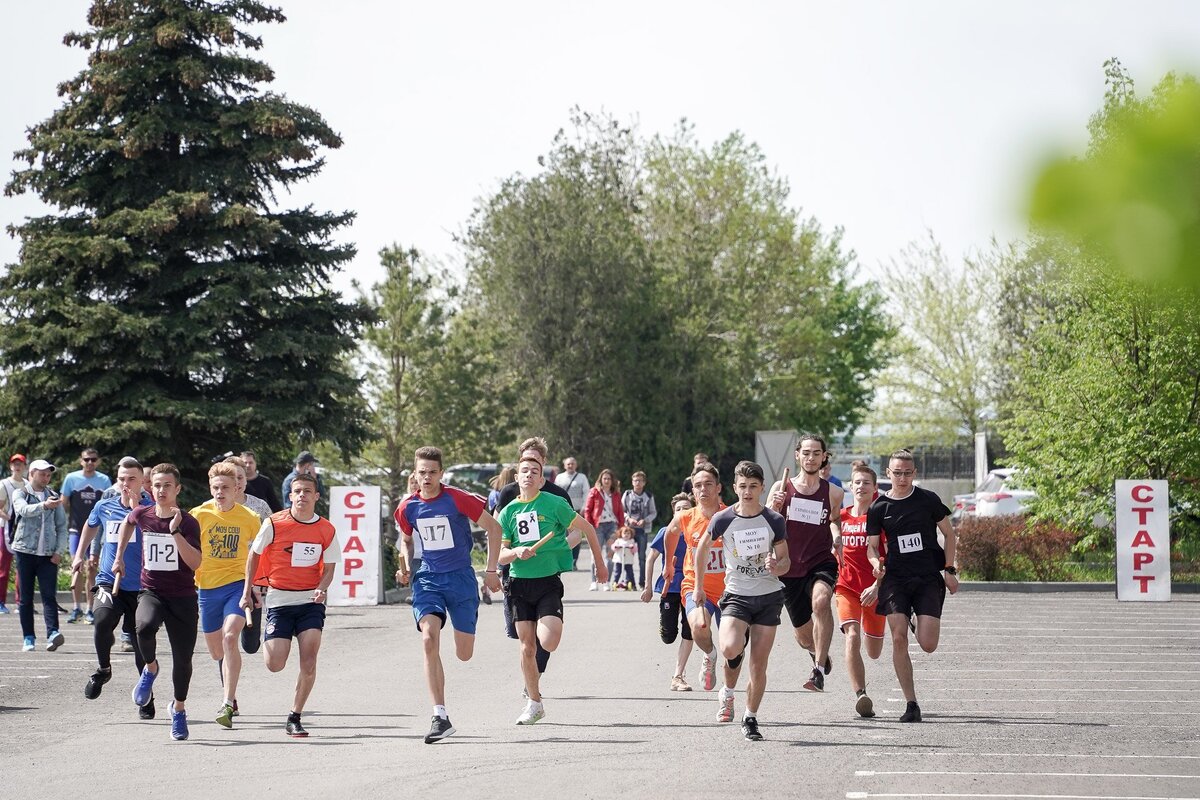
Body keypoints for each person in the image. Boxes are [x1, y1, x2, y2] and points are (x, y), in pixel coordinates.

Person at [394, 446, 503, 743]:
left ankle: (467, 621)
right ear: (415, 475)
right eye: (422, 472)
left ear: (441, 473)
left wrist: (491, 570)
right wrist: (404, 564)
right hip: (428, 578)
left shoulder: (457, 498)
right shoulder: (408, 507)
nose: (427, 477)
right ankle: (439, 715)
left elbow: (494, 528)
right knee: (428, 637)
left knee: (464, 654)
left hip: (461, 579)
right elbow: (406, 540)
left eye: (432, 472)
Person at [498, 456, 606, 725]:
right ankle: (534, 703)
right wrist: (515, 552)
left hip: (547, 582)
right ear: (517, 477)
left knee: (548, 641)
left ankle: (534, 685)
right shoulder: (508, 512)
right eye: (524, 471)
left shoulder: (555, 503)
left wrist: (600, 565)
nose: (529, 475)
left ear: (541, 478)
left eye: (535, 471)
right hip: (518, 584)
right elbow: (500, 555)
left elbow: (587, 529)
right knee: (526, 647)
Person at [691, 461, 789, 740]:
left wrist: (776, 565)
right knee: (731, 647)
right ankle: (728, 690)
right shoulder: (724, 519)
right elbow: (701, 548)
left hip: (768, 597)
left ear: (762, 488)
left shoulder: (773, 520)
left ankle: (751, 717)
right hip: (737, 595)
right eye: (743, 487)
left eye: (753, 487)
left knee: (759, 664)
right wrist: (698, 585)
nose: (747, 492)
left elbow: (786, 561)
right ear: (734, 488)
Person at [240, 473, 338, 737]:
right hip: (279, 600)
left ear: (316, 496)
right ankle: (267, 635)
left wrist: (322, 587)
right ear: (290, 495)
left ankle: (295, 715)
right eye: (298, 491)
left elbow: (329, 569)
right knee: (275, 663)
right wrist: (248, 589)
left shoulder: (326, 529)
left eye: (308, 491)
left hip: (310, 602)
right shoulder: (274, 523)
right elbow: (254, 554)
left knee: (309, 661)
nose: (302, 495)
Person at [866, 449, 959, 723]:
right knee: (897, 637)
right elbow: (872, 547)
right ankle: (911, 703)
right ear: (888, 473)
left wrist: (950, 569)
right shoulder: (879, 508)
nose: (902, 478)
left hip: (928, 577)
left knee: (928, 645)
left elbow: (949, 534)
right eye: (897, 473)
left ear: (914, 473)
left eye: (907, 473)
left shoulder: (928, 500)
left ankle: (915, 620)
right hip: (895, 578)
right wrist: (875, 563)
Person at [112, 463, 203, 740]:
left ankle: (178, 709)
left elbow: (196, 562)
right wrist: (119, 558)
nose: (161, 490)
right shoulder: (143, 513)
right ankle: (150, 668)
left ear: (177, 489)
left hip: (183, 597)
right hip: (152, 591)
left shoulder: (188, 522)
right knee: (143, 627)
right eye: (157, 485)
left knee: (183, 660)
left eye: (167, 485)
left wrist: (175, 532)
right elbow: (128, 524)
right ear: (150, 487)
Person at [72, 457, 153, 717]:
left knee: (142, 643)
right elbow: (90, 525)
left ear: (142, 481)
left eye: (132, 479)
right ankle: (104, 669)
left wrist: (136, 509)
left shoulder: (153, 508)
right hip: (109, 578)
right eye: (121, 479)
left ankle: (146, 695)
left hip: (141, 585)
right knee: (102, 620)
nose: (126, 484)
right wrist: (79, 555)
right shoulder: (104, 506)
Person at [767, 434, 844, 692]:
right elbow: (765, 525)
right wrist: (774, 507)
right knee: (803, 637)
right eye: (806, 453)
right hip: (788, 566)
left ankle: (818, 670)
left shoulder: (833, 492)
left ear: (824, 457)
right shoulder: (781, 487)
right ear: (797, 455)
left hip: (820, 560)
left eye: (816, 453)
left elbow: (834, 520)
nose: (811, 458)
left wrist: (837, 538)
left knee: (821, 601)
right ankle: (816, 651)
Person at [493, 439, 574, 682]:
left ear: (543, 464)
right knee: (521, 635)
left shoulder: (557, 495)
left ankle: (534, 678)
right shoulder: (509, 492)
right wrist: (497, 565)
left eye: (536, 463)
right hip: (514, 570)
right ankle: (531, 674)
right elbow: (496, 532)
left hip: (546, 570)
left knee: (544, 633)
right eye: (525, 464)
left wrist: (552, 549)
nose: (530, 470)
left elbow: (576, 532)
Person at [192, 462, 263, 728]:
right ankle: (228, 688)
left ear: (236, 489)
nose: (220, 493)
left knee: (231, 636)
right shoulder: (198, 515)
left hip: (237, 585)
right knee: (216, 651)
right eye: (215, 488)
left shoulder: (249, 518)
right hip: (207, 588)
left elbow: (259, 556)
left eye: (225, 488)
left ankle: (227, 701)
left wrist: (255, 586)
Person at [661, 463, 733, 707]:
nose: (703, 489)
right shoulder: (685, 517)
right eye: (698, 485)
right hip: (695, 584)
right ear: (692, 490)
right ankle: (710, 655)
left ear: (719, 487)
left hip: (729, 589)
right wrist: (670, 563)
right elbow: (670, 533)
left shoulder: (730, 515)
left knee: (732, 646)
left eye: (708, 484)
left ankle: (727, 683)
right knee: (700, 627)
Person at [835, 461, 886, 718]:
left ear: (875, 487)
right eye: (857, 482)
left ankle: (872, 631)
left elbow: (889, 558)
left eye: (867, 483)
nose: (861, 487)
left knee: (874, 652)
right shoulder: (841, 518)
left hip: (875, 589)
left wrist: (878, 586)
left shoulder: (880, 519)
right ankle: (861, 695)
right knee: (851, 635)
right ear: (850, 486)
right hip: (846, 588)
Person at [11, 459, 69, 652]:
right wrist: (44, 506)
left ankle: (53, 633)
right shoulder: (21, 492)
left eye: (49, 474)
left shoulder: (54, 496)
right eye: (43, 473)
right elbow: (22, 510)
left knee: (49, 596)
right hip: (25, 551)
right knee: (25, 598)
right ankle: (28, 637)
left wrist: (59, 551)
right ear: (32, 473)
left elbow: (62, 527)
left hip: (48, 555)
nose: (46, 477)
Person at [641, 493, 696, 691]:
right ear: (673, 512)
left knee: (690, 631)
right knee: (669, 636)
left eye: (686, 508)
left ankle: (678, 675)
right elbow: (650, 558)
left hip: (691, 586)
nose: (683, 512)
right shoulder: (665, 531)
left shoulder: (697, 531)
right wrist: (648, 587)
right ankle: (666, 628)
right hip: (670, 587)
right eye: (678, 509)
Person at [61, 448, 113, 624]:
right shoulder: (71, 478)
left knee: (92, 569)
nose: (90, 462)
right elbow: (63, 504)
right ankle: (76, 608)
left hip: (96, 530)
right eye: (86, 459)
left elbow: (108, 507)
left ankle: (90, 609)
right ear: (81, 461)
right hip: (76, 529)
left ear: (97, 461)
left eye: (93, 459)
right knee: (77, 566)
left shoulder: (104, 480)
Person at [583, 469, 624, 591]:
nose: (606, 481)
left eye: (609, 479)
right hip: (598, 526)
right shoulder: (594, 492)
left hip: (612, 525)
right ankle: (594, 581)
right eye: (604, 478)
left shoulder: (616, 494)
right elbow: (587, 510)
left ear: (612, 481)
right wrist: (588, 526)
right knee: (595, 554)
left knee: (610, 554)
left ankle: (606, 581)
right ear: (601, 479)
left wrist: (621, 528)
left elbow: (620, 512)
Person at [0, 454, 29, 614]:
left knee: (22, 568)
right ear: (10, 466)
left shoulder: (27, 485)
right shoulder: (4, 484)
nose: (17, 466)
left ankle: (21, 602)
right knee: (3, 567)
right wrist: (10, 518)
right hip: (5, 529)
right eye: (14, 464)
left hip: (23, 530)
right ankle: (1, 601)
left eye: (20, 464)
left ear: (24, 466)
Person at [621, 471, 656, 589]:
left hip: (642, 530)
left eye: (640, 480)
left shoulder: (649, 496)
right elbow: (622, 510)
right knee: (626, 556)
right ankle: (628, 582)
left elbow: (653, 513)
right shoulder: (627, 494)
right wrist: (628, 519)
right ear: (632, 482)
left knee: (642, 558)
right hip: (629, 530)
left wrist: (645, 520)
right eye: (635, 480)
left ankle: (642, 582)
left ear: (644, 482)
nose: (637, 483)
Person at [554, 456, 589, 568]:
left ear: (576, 465)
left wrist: (584, 507)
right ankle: (562, 560)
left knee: (576, 535)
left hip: (576, 511)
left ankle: (574, 560)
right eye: (568, 464)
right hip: (561, 511)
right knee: (561, 536)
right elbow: (554, 494)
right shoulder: (559, 478)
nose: (570, 466)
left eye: (572, 464)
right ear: (564, 465)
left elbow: (586, 493)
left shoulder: (582, 477)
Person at [609, 525, 638, 589]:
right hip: (619, 560)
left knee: (630, 573)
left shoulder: (631, 541)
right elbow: (613, 547)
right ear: (621, 534)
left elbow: (635, 550)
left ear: (631, 534)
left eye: (628, 533)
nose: (626, 535)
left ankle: (633, 585)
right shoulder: (618, 541)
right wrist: (616, 546)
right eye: (624, 533)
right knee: (617, 572)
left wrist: (632, 547)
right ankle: (615, 582)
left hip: (628, 560)